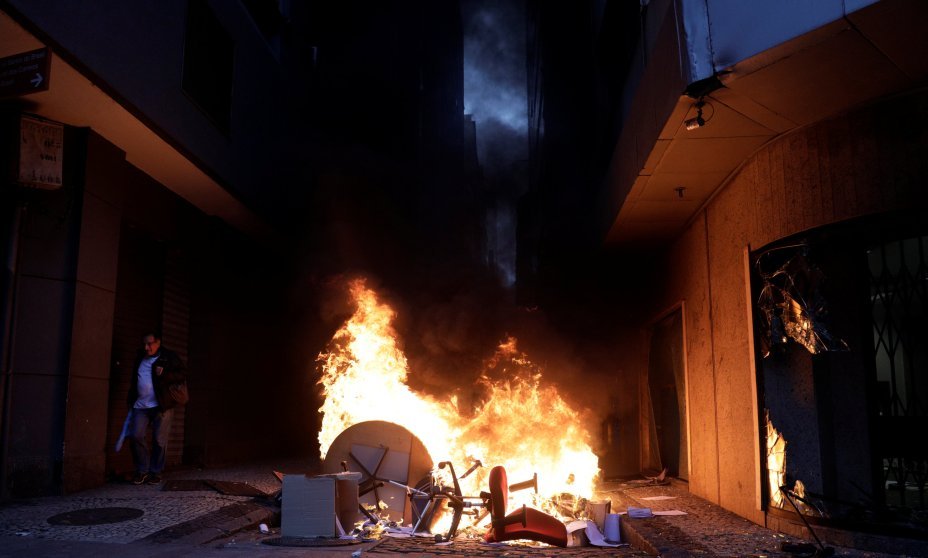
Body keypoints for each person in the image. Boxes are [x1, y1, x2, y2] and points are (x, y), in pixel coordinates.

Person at [126, 330, 187, 485]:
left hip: (161, 405)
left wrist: (165, 374)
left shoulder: (169, 357)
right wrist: (130, 400)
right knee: (136, 435)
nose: (146, 347)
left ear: (158, 342)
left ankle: (155, 472)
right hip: (140, 405)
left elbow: (182, 375)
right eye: (144, 344)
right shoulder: (140, 357)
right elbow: (135, 380)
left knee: (159, 441)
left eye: (150, 344)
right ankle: (142, 471)